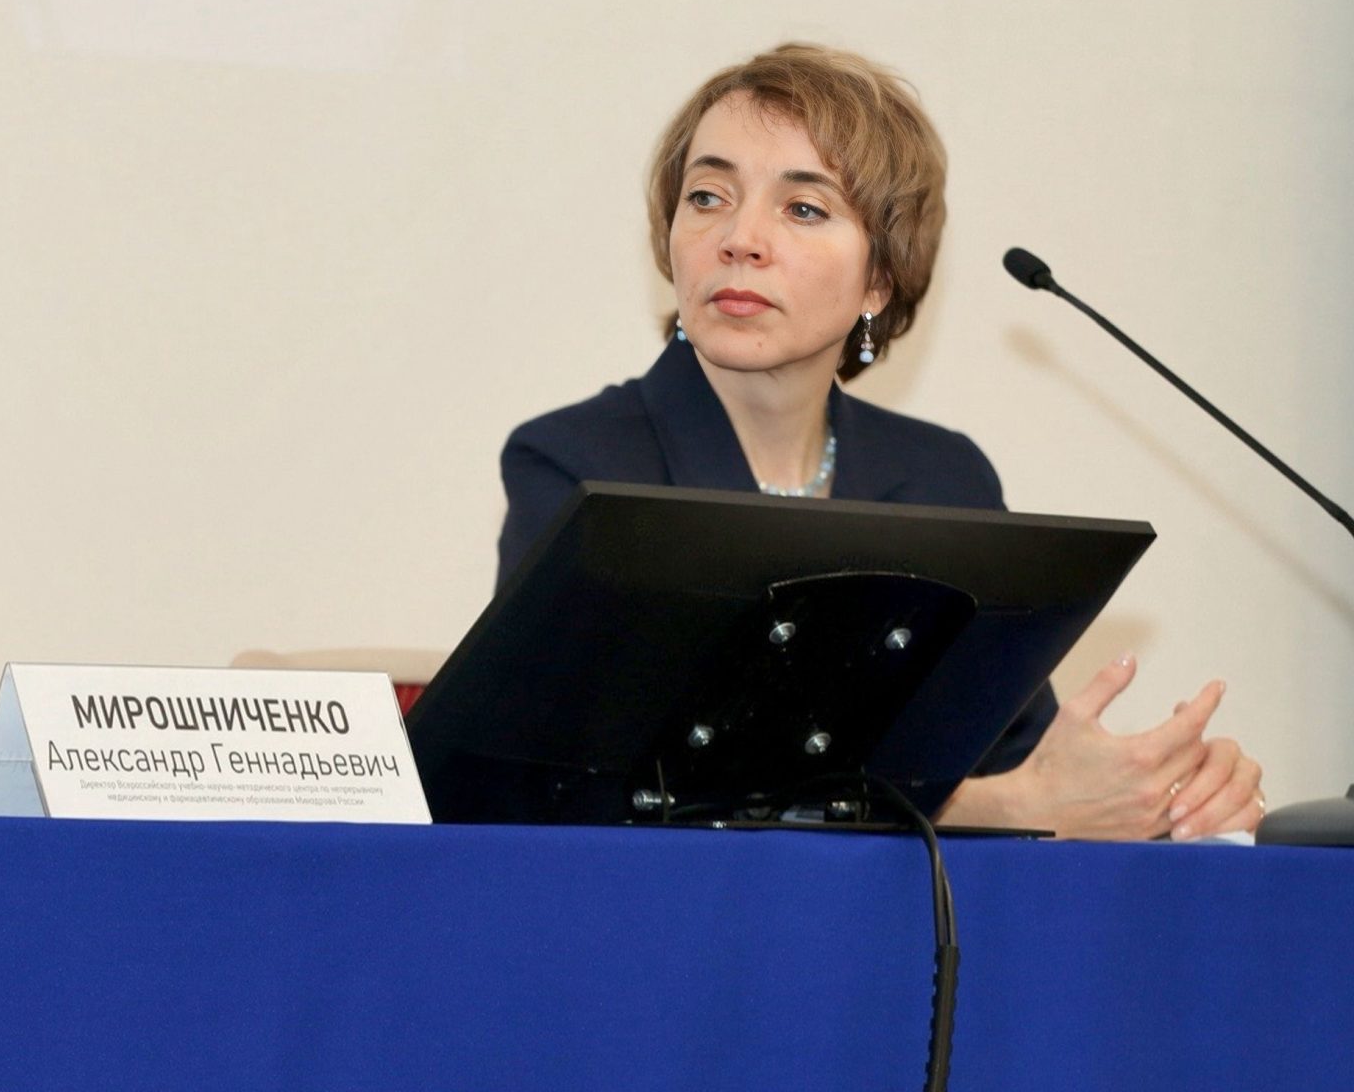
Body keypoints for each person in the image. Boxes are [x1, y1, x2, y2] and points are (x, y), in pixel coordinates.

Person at [496, 43, 1263, 839]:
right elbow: (569, 799)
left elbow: (1027, 775)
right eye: (707, 196)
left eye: (802, 208)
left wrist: (1170, 797)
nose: (739, 237)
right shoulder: (580, 468)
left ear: (878, 280)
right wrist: (1012, 808)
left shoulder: (943, 481)